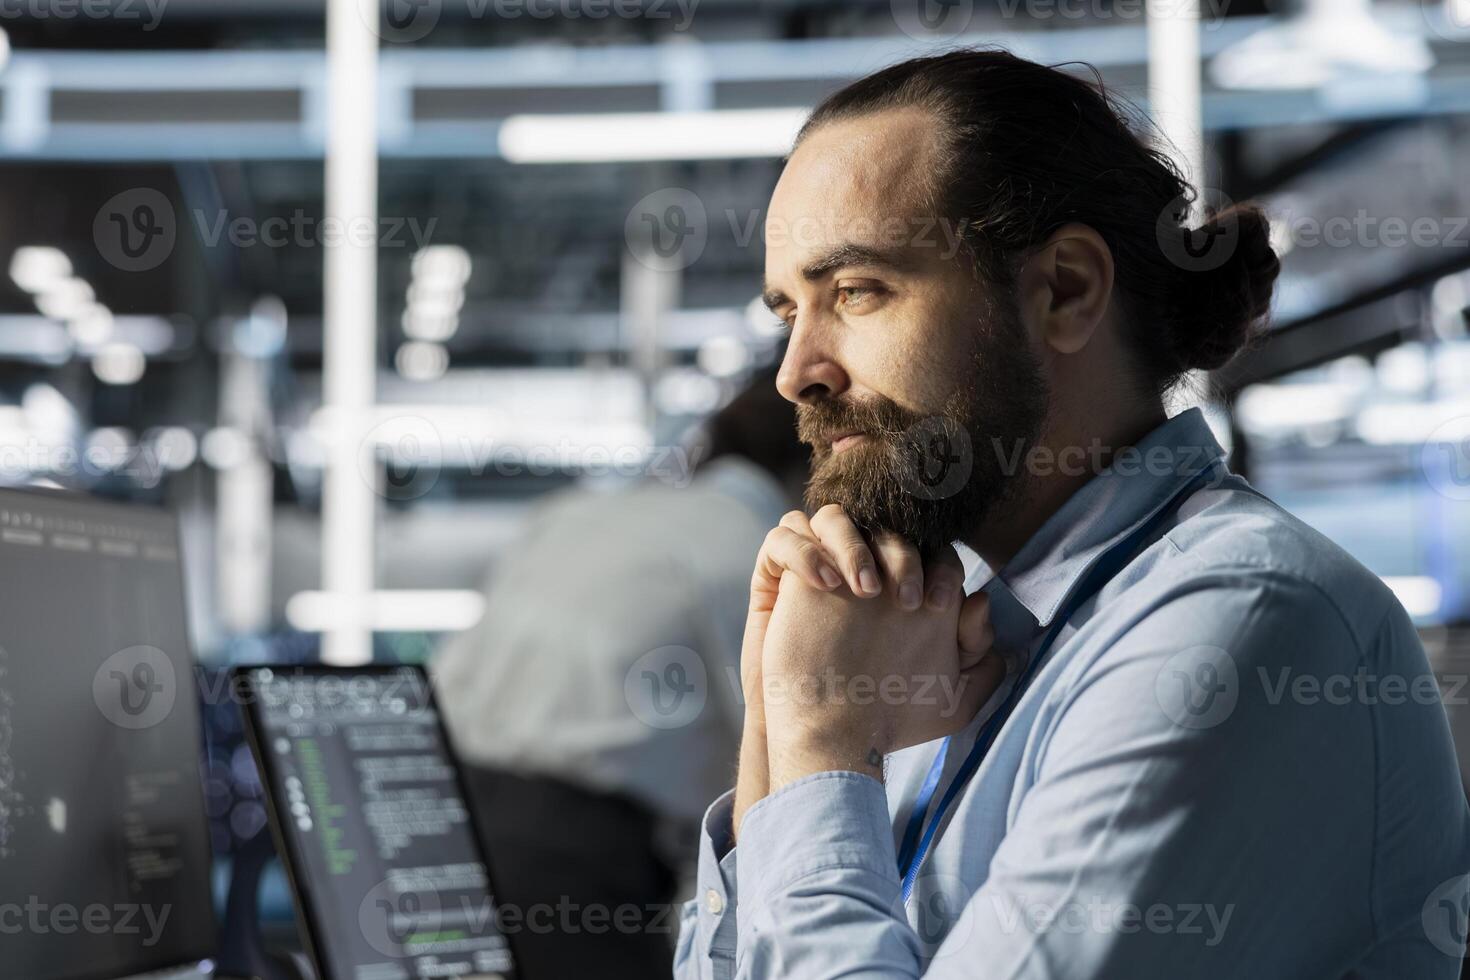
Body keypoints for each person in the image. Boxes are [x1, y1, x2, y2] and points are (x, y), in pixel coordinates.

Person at [673, 50, 1470, 978]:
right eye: (788, 312)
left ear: (1066, 291)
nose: (794, 371)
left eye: (855, 291)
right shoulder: (949, 640)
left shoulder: (1232, 626)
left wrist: (818, 744)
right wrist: (779, 722)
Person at [433, 370, 807, 980]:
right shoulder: (758, 549)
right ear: (808, 468)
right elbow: (782, 766)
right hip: (569, 861)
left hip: (443, 816)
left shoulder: (579, 511)